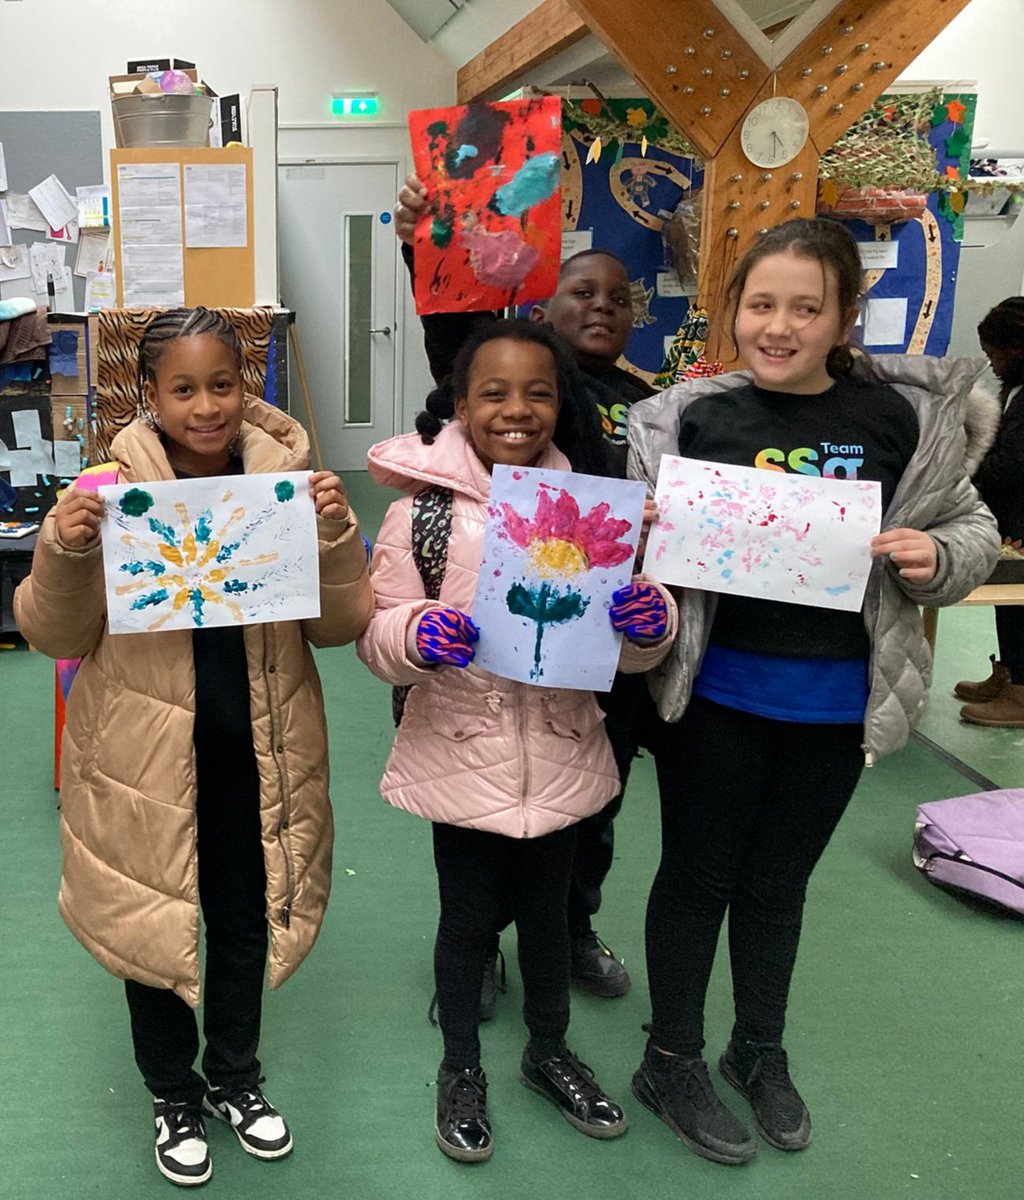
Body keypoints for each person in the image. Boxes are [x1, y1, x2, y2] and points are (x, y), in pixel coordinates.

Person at [626, 218, 1000, 1165]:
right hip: (713, 698)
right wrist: (640, 533)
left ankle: (758, 1049)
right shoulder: (688, 419)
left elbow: (971, 525)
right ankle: (671, 1056)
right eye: (761, 304)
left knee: (778, 884)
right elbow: (628, 571)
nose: (779, 326)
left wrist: (935, 556)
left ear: (843, 320)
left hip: (837, 704)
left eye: (805, 308)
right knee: (698, 874)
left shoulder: (899, 422)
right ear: (733, 311)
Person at [14, 307, 375, 1187]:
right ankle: (172, 1090)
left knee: (245, 917)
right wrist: (62, 549)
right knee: (153, 923)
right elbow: (52, 634)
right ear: (150, 395)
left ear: (245, 386)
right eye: (183, 388)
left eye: (223, 384)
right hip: (141, 761)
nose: (206, 406)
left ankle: (237, 1079)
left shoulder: (285, 481)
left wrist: (332, 534)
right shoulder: (106, 495)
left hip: (260, 750)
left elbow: (339, 625)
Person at [356, 318, 675, 1162]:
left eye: (538, 393)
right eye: (493, 393)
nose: (517, 410)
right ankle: (461, 1064)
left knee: (547, 917)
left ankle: (549, 1050)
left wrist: (650, 625)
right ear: (459, 405)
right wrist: (417, 635)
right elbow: (376, 633)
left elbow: (633, 642)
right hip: (461, 747)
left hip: (566, 751)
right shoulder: (420, 516)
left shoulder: (596, 509)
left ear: (560, 403)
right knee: (464, 923)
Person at [395, 174, 658, 998]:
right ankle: (476, 945)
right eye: (582, 291)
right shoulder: (518, 380)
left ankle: (572, 927)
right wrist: (422, 245)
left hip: (586, 655)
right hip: (479, 654)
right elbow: (459, 344)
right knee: (476, 816)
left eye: (619, 298)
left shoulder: (654, 408)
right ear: (546, 306)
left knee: (585, 807)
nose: (602, 308)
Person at [956, 296, 1024, 726]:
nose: (991, 363)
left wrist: (965, 474)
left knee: (1020, 604)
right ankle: (1009, 673)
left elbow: (1013, 463)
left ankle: (1021, 693)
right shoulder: (1015, 387)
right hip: (1010, 515)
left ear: (1016, 349)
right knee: (1008, 602)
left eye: (994, 354)